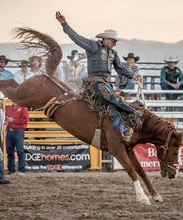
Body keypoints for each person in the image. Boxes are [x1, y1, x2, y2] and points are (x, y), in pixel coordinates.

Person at [56, 11, 141, 141]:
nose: (115, 43)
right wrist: (64, 24)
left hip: (107, 84)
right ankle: (131, 111)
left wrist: (133, 75)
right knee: (109, 97)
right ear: (106, 39)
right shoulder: (93, 46)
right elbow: (76, 37)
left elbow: (120, 69)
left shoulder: (113, 53)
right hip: (95, 84)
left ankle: (122, 129)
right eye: (113, 41)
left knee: (111, 107)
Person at [5, 101, 29, 175]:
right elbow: (6, 117)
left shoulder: (24, 108)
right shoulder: (9, 108)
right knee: (9, 151)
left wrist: (13, 120)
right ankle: (11, 169)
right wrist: (6, 120)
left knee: (20, 150)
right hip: (9, 131)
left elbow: (25, 121)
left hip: (19, 131)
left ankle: (21, 170)